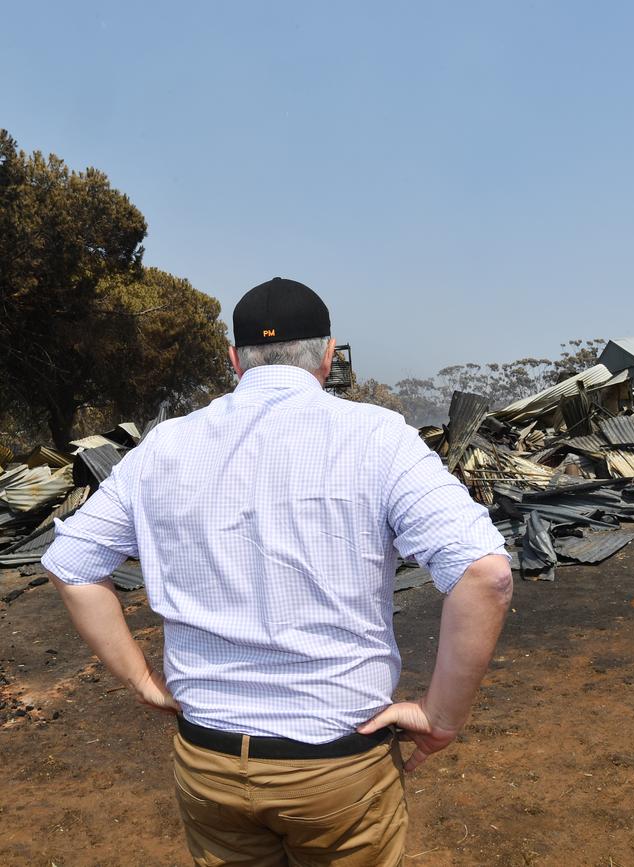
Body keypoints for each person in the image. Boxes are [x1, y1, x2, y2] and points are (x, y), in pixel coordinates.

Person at [43, 277, 513, 867]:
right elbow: (485, 574)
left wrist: (141, 681)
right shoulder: (377, 439)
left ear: (235, 360)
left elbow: (72, 563)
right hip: (338, 766)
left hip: (208, 761)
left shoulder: (165, 447)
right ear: (327, 354)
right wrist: (441, 716)